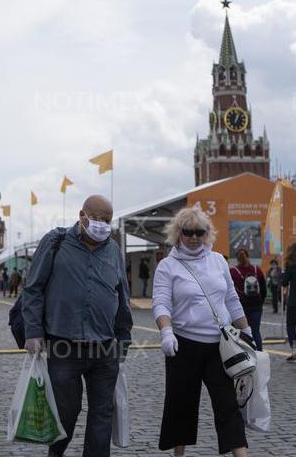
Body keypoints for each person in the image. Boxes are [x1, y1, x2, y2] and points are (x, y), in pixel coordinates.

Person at [22, 194, 132, 457]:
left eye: (107, 220)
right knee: (66, 412)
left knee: (102, 414)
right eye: (97, 218)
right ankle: (55, 453)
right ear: (82, 216)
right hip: (64, 346)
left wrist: (123, 339)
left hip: (104, 348)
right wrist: (34, 332)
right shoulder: (56, 242)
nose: (103, 225)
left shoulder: (114, 250)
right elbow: (33, 288)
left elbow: (122, 296)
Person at [152, 206, 250, 457]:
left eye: (199, 232)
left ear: (207, 233)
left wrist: (247, 330)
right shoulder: (167, 266)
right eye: (188, 232)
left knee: (228, 404)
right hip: (183, 346)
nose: (194, 237)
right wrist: (166, 331)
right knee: (181, 405)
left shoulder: (218, 261)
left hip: (220, 346)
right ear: (178, 233)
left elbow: (231, 299)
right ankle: (179, 454)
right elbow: (161, 302)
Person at [230, 248, 267, 351]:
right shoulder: (257, 269)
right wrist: (261, 301)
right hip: (256, 305)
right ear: (248, 256)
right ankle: (259, 353)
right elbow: (263, 289)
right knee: (255, 331)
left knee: (239, 331)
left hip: (240, 306)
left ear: (236, 258)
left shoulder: (233, 271)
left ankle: (241, 353)